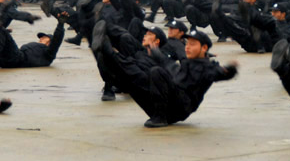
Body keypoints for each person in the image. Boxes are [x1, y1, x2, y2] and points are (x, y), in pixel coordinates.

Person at [94, 27, 238, 127]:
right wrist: (156, 53)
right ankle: (108, 54)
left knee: (155, 72)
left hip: (180, 108)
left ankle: (160, 118)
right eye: (187, 44)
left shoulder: (208, 67)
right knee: (132, 81)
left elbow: (219, 74)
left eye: (192, 45)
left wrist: (229, 70)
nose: (187, 47)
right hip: (163, 105)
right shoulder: (187, 63)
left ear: (204, 48)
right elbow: (169, 65)